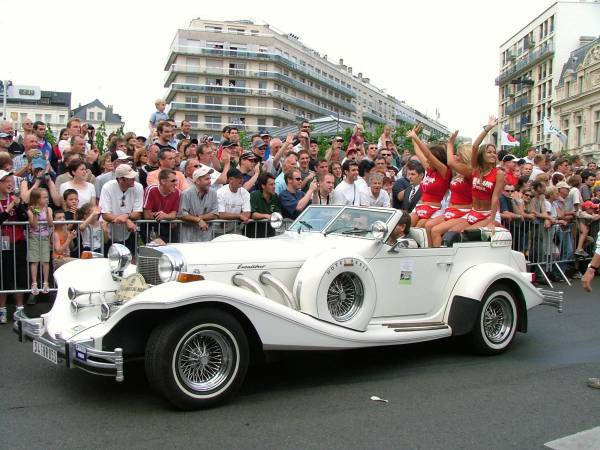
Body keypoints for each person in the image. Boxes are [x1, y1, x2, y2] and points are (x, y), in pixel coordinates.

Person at [448, 117, 505, 235]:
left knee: (467, 234)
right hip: (474, 212)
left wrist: (492, 221)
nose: (493, 155)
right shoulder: (475, 169)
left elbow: (495, 199)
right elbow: (475, 146)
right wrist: (487, 129)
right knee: (452, 233)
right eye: (489, 152)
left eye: (494, 152)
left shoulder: (498, 174)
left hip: (489, 214)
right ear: (482, 154)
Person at [428, 132, 474, 247]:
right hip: (451, 211)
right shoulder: (458, 173)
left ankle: (439, 259)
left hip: (463, 213)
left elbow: (450, 162)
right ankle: (429, 254)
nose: (455, 157)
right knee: (429, 226)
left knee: (436, 230)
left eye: (457, 155)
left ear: (464, 156)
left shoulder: (470, 173)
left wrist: (450, 143)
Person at [406, 124, 451, 228]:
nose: (426, 161)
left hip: (433, 209)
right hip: (420, 206)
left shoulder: (444, 171)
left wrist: (416, 138)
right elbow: (419, 152)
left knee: (418, 229)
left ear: (437, 159)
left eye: (430, 159)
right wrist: (414, 136)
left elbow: (427, 154)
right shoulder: (430, 169)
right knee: (406, 225)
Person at [0, 170, 27, 323]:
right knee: (3, 277)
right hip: (2, 244)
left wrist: (18, 206)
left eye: (11, 180)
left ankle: (20, 309)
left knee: (20, 275)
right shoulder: (7, 201)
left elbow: (24, 218)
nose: (9, 183)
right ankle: (2, 310)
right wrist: (9, 206)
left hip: (18, 241)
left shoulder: (15, 199)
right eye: (5, 181)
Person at [99, 164, 143, 254]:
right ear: (120, 179)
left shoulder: (138, 187)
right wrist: (127, 220)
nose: (134, 179)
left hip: (128, 232)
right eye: (130, 177)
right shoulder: (107, 187)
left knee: (131, 261)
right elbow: (106, 214)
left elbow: (137, 213)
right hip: (108, 232)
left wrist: (126, 216)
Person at [178, 165, 219, 242]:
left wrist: (199, 218)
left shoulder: (213, 193)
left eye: (210, 178)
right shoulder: (186, 193)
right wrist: (198, 220)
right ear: (197, 181)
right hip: (188, 238)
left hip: (206, 237)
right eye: (206, 179)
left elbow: (215, 213)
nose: (210, 181)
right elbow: (182, 214)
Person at [27, 188, 54, 295]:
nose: (47, 199)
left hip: (45, 237)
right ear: (37, 199)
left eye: (47, 197)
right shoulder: (31, 210)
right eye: (45, 197)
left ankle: (45, 282)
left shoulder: (49, 209)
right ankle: (34, 283)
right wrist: (34, 214)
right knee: (34, 260)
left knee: (45, 260)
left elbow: (50, 223)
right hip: (34, 237)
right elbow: (34, 225)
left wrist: (47, 212)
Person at [143, 168, 181, 243]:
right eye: (173, 181)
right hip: (151, 226)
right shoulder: (151, 189)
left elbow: (173, 215)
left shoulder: (177, 192)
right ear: (163, 181)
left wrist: (164, 216)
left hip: (167, 226)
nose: (176, 183)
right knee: (158, 248)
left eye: (176, 180)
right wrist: (166, 216)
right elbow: (147, 215)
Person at [216, 168, 251, 234]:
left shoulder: (245, 193)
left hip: (235, 229)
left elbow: (247, 214)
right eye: (239, 178)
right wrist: (239, 216)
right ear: (230, 179)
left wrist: (241, 216)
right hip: (218, 231)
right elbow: (221, 215)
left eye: (242, 178)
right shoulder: (220, 192)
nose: (242, 180)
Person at [248, 172, 281, 238]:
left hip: (270, 234)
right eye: (271, 184)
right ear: (263, 186)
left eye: (274, 184)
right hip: (254, 235)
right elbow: (253, 214)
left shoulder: (275, 196)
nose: (274, 186)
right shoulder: (254, 195)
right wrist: (266, 216)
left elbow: (278, 213)